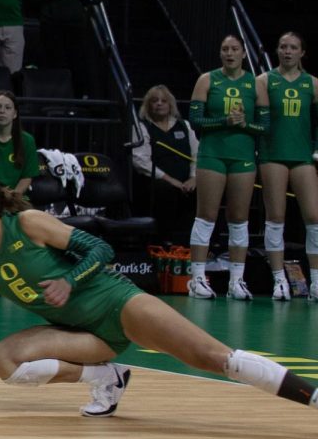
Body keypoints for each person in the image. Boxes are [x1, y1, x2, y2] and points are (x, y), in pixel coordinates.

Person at [0, 173, 318, 417]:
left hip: (118, 306)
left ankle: (312, 397)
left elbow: (100, 247)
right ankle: (107, 377)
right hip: (82, 336)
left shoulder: (28, 222)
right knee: (5, 362)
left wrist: (72, 280)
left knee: (211, 357)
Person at [186, 35, 269, 300]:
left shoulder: (255, 83)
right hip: (212, 155)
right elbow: (195, 120)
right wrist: (225, 121)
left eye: (234, 49)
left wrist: (244, 125)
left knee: (239, 218)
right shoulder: (207, 80)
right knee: (206, 215)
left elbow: (264, 127)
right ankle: (197, 278)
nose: (229, 53)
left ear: (244, 53)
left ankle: (237, 280)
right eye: (225, 49)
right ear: (220, 53)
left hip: (243, 157)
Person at [256, 32, 318, 301]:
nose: (288, 51)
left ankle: (316, 280)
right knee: (276, 217)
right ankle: (279, 280)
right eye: (283, 46)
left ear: (302, 52)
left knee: (314, 217)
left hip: (303, 155)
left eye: (293, 47)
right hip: (273, 155)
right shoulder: (265, 80)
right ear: (277, 50)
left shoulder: (313, 84)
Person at [131, 84, 197, 247]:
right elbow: (141, 161)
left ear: (170, 104)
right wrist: (170, 180)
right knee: (165, 190)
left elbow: (198, 155)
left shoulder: (185, 126)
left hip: (186, 180)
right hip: (155, 180)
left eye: (163, 101)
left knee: (208, 188)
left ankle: (203, 244)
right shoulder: (142, 127)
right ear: (148, 105)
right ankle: (164, 241)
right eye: (155, 101)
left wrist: (194, 178)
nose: (159, 104)